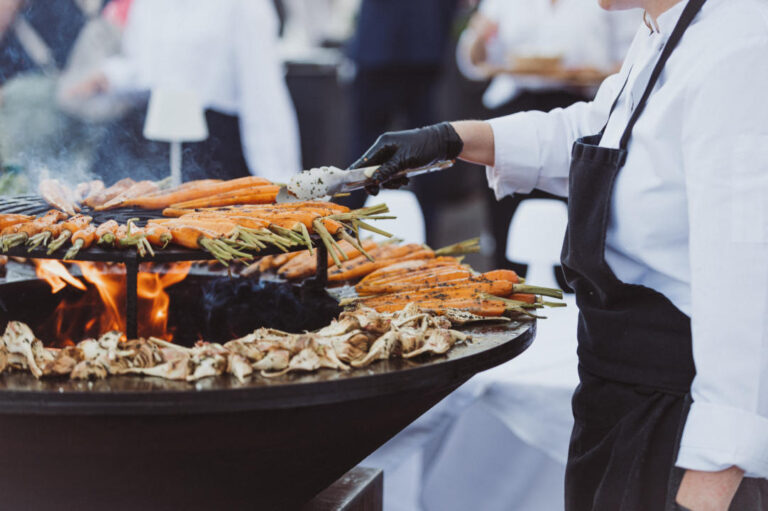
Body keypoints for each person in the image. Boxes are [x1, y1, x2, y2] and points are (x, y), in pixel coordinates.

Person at [351, 0, 768, 509]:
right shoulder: (666, 29)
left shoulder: (741, 50)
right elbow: (598, 130)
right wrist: (452, 139)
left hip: (678, 421)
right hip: (616, 397)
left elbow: (746, 284)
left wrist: (709, 483)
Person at [457, 0, 639, 272]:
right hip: (514, 102)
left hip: (581, 108)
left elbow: (634, 59)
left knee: (571, 224)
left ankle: (570, 286)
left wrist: (594, 72)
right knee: (508, 221)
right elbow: (471, 61)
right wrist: (479, 37)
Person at [69, 0, 301, 184]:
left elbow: (262, 95)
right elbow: (146, 68)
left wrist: (280, 180)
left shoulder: (245, 5)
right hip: (152, 132)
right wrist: (110, 77)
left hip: (211, 144)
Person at [345, 0, 459, 245]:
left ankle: (346, 236)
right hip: (423, 45)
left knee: (365, 149)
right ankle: (427, 240)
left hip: (380, 46)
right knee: (429, 149)